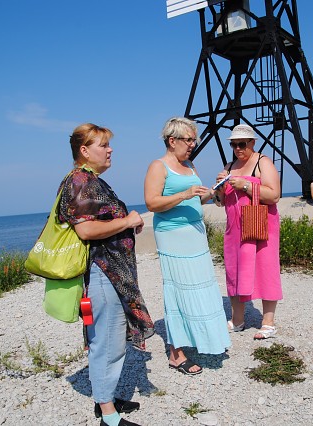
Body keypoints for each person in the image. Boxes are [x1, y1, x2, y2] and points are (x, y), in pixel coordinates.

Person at [59, 123, 154, 426]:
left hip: (111, 272)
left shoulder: (93, 181)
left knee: (113, 337)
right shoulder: (79, 180)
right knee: (107, 342)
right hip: (102, 273)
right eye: (103, 145)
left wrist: (127, 224)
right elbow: (86, 229)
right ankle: (107, 415)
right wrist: (126, 221)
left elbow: (102, 223)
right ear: (84, 151)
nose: (110, 149)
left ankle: (107, 397)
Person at [143, 117, 231, 375]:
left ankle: (199, 340)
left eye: (195, 139)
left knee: (200, 287)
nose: (193, 144)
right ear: (172, 141)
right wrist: (184, 193)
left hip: (195, 233)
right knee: (179, 289)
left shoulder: (189, 164)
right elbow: (151, 202)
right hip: (173, 235)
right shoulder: (158, 166)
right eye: (189, 140)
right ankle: (176, 353)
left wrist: (215, 190)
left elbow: (198, 197)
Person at [213, 124, 282, 340]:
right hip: (235, 228)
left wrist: (245, 185)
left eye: (241, 144)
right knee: (234, 271)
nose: (237, 149)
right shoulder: (229, 165)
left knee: (265, 268)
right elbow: (219, 202)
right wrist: (220, 190)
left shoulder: (263, 162)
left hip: (259, 224)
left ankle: (268, 323)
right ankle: (238, 319)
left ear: (252, 142)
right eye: (233, 144)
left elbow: (274, 195)